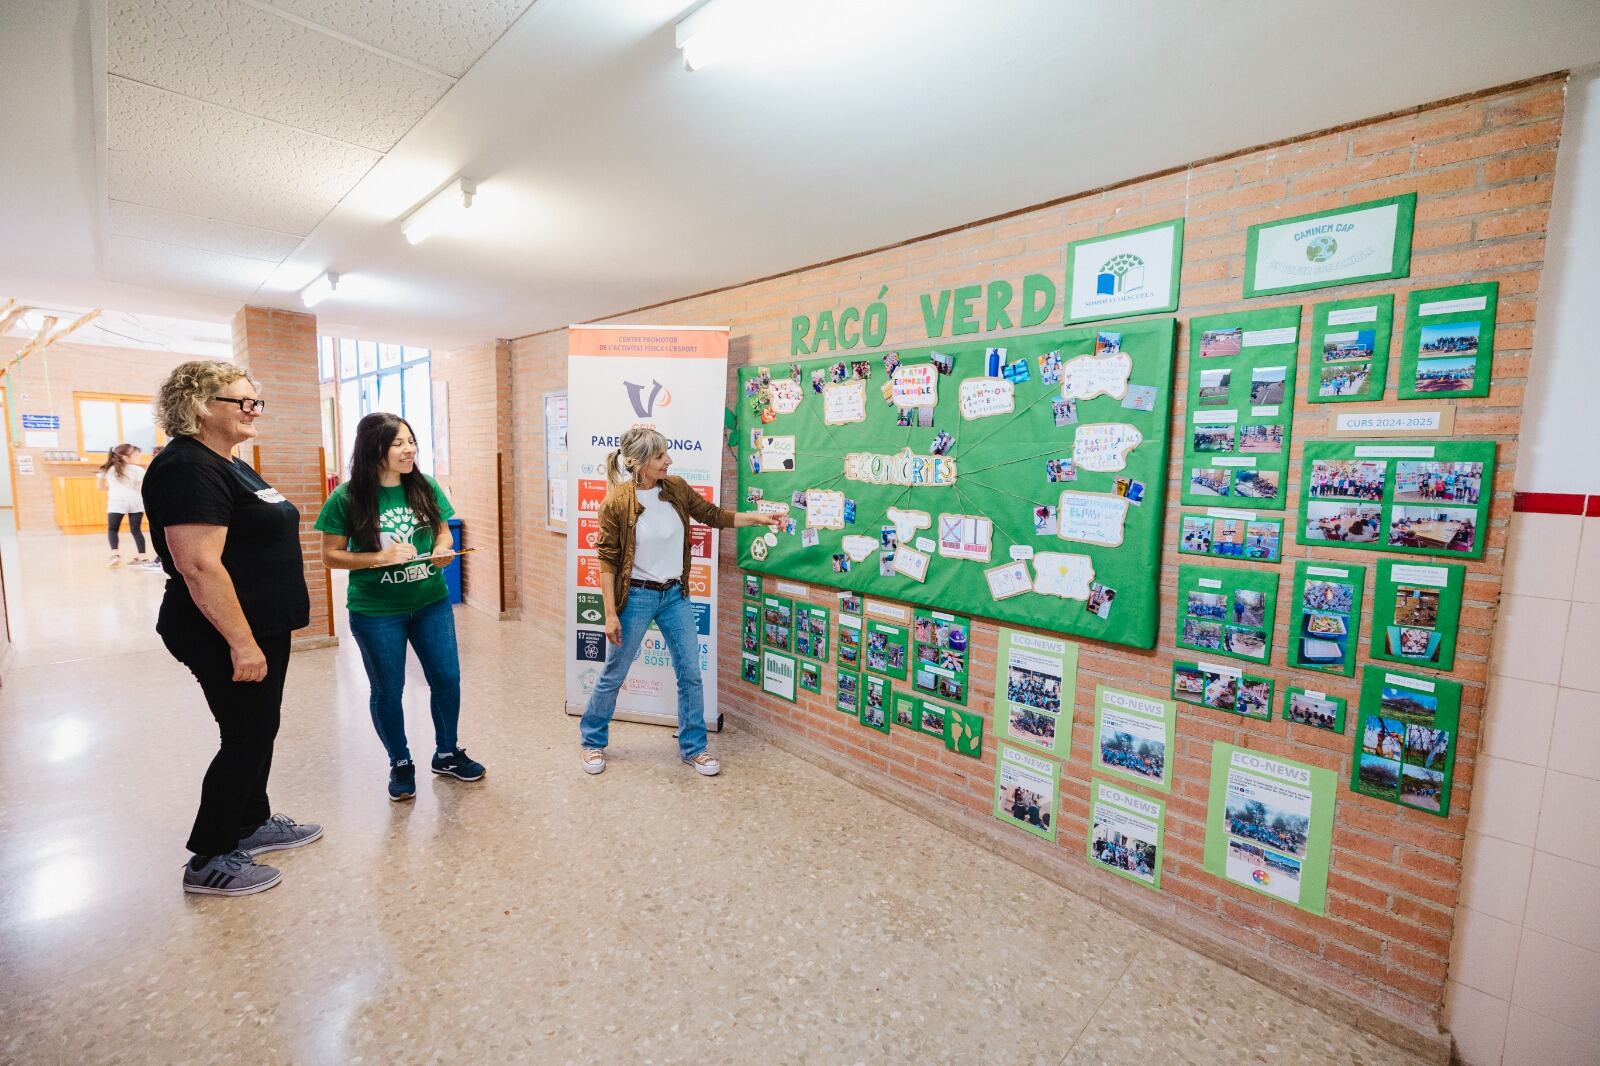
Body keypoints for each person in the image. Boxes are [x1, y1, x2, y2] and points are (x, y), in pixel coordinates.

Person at [142, 361, 321, 897]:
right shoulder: (186, 467)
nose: (252, 410)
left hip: (261, 623)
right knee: (246, 735)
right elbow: (199, 565)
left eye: (255, 400)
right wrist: (241, 642)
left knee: (259, 727)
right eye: (240, 401)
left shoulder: (228, 462)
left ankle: (250, 823)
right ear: (199, 407)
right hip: (222, 630)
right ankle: (210, 856)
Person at [580, 426, 783, 776]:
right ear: (639, 462)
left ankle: (694, 748)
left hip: (675, 595)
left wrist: (757, 518)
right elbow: (607, 560)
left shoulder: (676, 489)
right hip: (638, 596)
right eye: (660, 456)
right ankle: (592, 740)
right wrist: (610, 614)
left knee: (690, 673)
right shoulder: (616, 502)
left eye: (666, 454)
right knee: (615, 672)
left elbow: (713, 515)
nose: (668, 461)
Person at [316, 412, 483, 801]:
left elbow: (442, 529)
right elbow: (330, 556)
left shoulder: (423, 485)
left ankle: (446, 753)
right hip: (376, 611)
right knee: (387, 690)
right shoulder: (347, 497)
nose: (409, 449)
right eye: (398, 443)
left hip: (430, 601)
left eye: (411, 441)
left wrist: (443, 550)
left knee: (446, 678)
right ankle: (400, 760)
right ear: (374, 447)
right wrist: (379, 558)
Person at [97, 443, 156, 568]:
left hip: (117, 502)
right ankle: (143, 557)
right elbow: (142, 489)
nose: (139, 456)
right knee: (136, 530)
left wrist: (114, 487)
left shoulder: (108, 469)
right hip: (135, 501)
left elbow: (100, 486)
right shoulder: (138, 470)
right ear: (125, 457)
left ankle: (115, 555)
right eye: (136, 454)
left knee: (113, 529)